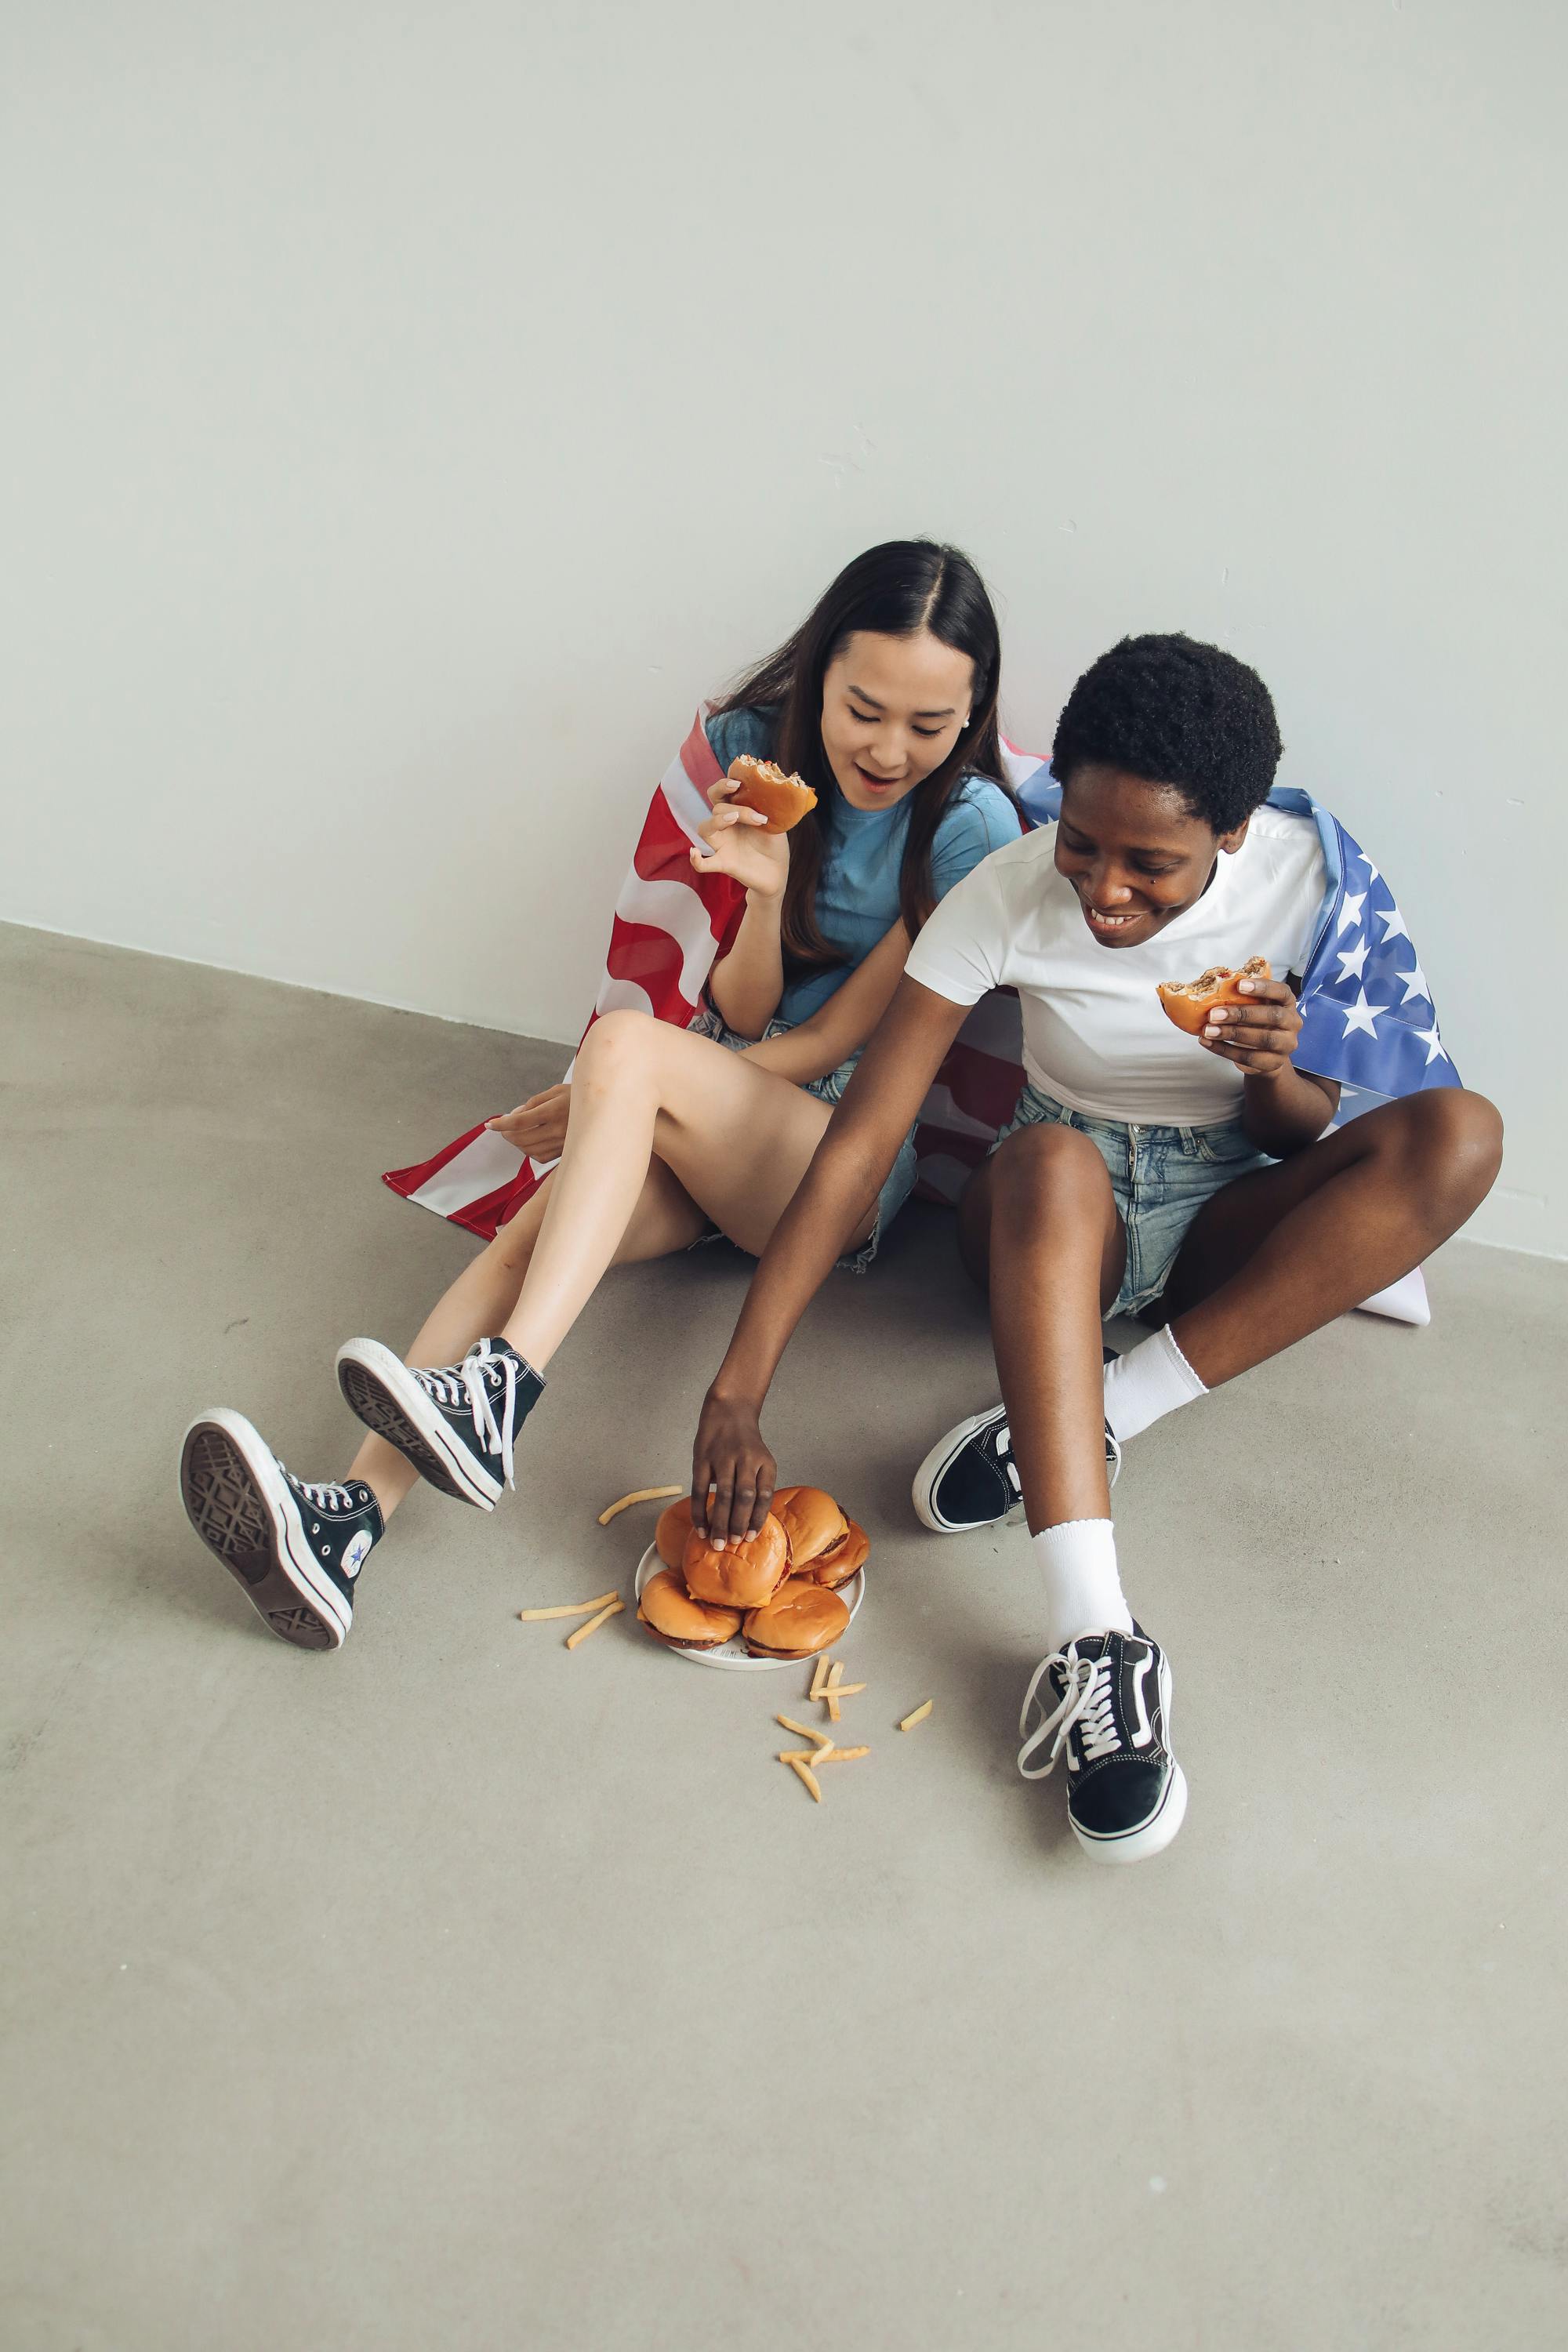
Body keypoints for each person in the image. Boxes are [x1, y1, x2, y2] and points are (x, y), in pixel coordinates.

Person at [686, 633, 1503, 1865]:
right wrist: (737, 1388)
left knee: (1462, 1136)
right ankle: (1097, 1640)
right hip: (1049, 1213)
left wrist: (1274, 1069)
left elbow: (1300, 1131)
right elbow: (858, 1146)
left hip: (1223, 1200)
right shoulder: (1006, 894)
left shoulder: (1307, 884)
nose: (1104, 888)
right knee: (1059, 1163)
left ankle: (1098, 1406)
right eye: (1083, 841)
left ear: (1230, 833)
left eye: (1152, 863)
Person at [180, 540, 1021, 1651]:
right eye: (865, 709)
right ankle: (346, 1529)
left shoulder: (971, 831)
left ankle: (503, 1389)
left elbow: (825, 1043)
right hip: (728, 1102)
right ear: (819, 674)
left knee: (625, 1050)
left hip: (836, 1161)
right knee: (529, 1244)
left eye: (932, 726)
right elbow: (749, 1002)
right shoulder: (744, 752)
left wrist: (606, 1083)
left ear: (973, 718)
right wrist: (761, 898)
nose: (890, 750)